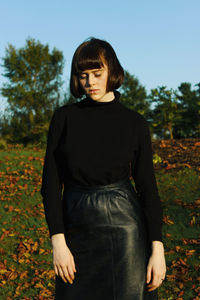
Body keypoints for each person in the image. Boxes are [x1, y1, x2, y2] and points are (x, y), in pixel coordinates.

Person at [40, 37, 166, 300]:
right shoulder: (64, 119)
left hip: (126, 232)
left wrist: (157, 249)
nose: (90, 82)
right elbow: (50, 184)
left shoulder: (135, 123)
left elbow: (148, 188)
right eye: (83, 75)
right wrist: (58, 241)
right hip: (76, 229)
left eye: (97, 74)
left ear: (112, 72)